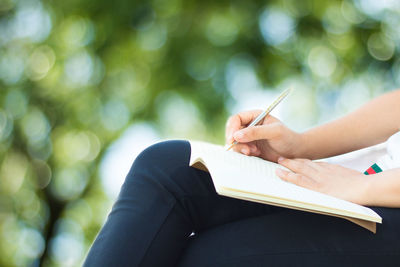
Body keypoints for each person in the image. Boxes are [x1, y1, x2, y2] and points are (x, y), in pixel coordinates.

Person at [84, 90, 400, 266]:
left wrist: (365, 186)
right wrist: (301, 146)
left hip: (381, 201)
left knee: (212, 258)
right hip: (362, 181)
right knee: (169, 167)